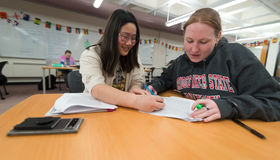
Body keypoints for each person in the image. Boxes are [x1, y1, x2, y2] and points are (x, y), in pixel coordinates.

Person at [149, 8, 280, 122]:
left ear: (218, 37)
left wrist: (229, 106)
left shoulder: (236, 56)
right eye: (189, 41)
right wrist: (153, 87)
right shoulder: (180, 62)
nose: (194, 50)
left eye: (203, 42)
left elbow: (274, 103)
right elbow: (164, 79)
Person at [79, 9, 164, 112]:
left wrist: (135, 87)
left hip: (121, 110)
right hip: (95, 111)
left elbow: (138, 78)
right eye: (125, 37)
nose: (129, 43)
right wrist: (136, 101)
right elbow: (97, 88)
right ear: (112, 34)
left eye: (133, 38)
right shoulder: (91, 55)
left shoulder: (133, 57)